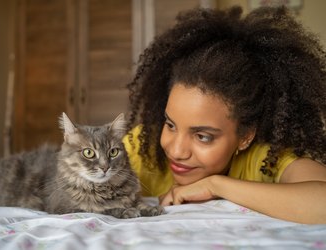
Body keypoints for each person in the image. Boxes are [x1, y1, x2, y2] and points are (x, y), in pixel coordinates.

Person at [123, 5, 326, 224]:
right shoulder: (140, 150)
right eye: (170, 125)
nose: (176, 150)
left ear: (245, 136)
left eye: (203, 136)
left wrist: (215, 186)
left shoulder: (265, 160)